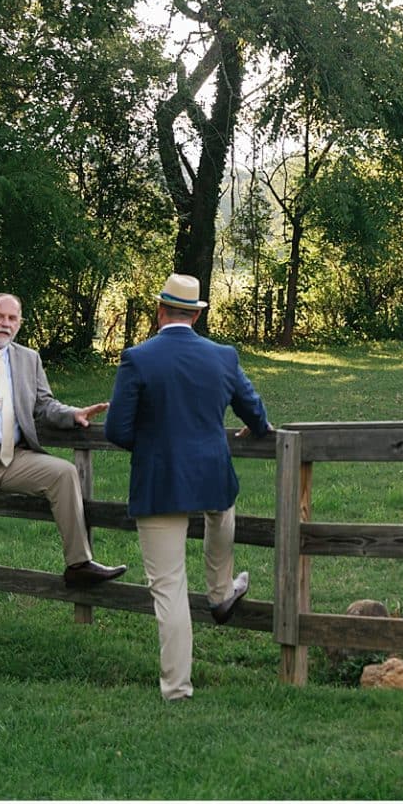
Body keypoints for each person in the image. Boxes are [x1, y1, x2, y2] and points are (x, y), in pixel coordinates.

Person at [103, 273, 274, 702]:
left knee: (169, 586)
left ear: (160, 311)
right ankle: (220, 592)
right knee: (222, 519)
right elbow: (254, 411)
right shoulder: (224, 356)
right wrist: (257, 429)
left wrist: (155, 447)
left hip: (160, 481)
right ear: (196, 315)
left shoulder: (138, 358)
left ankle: (177, 687)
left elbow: (117, 429)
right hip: (213, 474)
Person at [0, 291, 123, 656]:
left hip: (15, 457)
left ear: (19, 323)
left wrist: (73, 414)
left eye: (12, 319)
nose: (5, 324)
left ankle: (78, 563)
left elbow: (44, 404)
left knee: (63, 473)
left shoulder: (28, 358)